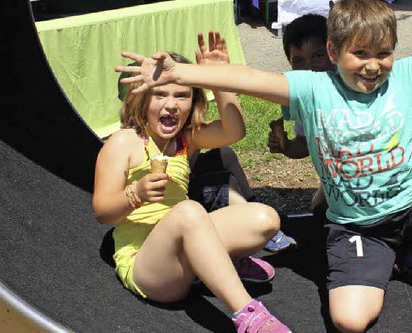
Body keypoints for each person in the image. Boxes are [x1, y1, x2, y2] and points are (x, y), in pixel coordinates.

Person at [116, 1, 412, 331]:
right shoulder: (313, 90)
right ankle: (393, 255)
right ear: (334, 53)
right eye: (361, 54)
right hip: (358, 225)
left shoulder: (407, 77)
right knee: (350, 320)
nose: (374, 66)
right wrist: (182, 74)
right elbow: (250, 78)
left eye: (383, 53)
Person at [94, 32, 291, 332]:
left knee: (266, 219)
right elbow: (102, 211)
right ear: (143, 98)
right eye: (160, 94)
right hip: (147, 264)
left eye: (181, 96)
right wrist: (136, 193)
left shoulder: (188, 140)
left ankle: (211, 266)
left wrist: (219, 76)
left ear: (193, 102)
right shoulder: (124, 142)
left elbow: (234, 131)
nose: (171, 105)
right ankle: (249, 315)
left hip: (183, 245)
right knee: (189, 211)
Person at [267, 13, 335, 219]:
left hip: (363, 172)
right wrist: (286, 146)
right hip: (334, 177)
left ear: (333, 52)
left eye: (317, 56)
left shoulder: (348, 86)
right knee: (318, 208)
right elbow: (304, 145)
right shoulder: (303, 97)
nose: (308, 67)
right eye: (298, 60)